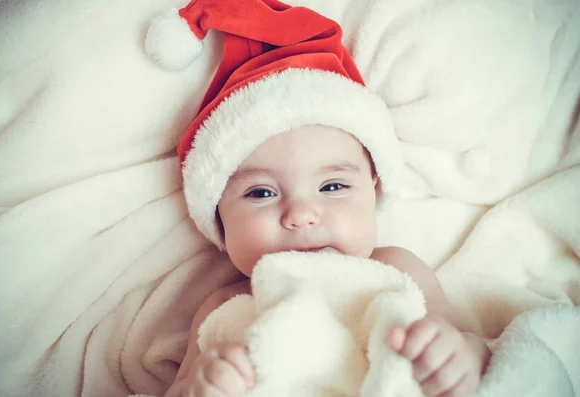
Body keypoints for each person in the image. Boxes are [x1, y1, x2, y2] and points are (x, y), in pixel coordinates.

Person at [144, 1, 492, 396]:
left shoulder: (397, 268)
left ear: (373, 189)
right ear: (218, 216)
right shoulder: (225, 304)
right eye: (261, 192)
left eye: (332, 186)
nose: (301, 215)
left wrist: (457, 356)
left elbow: (473, 344)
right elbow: (181, 386)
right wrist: (200, 384)